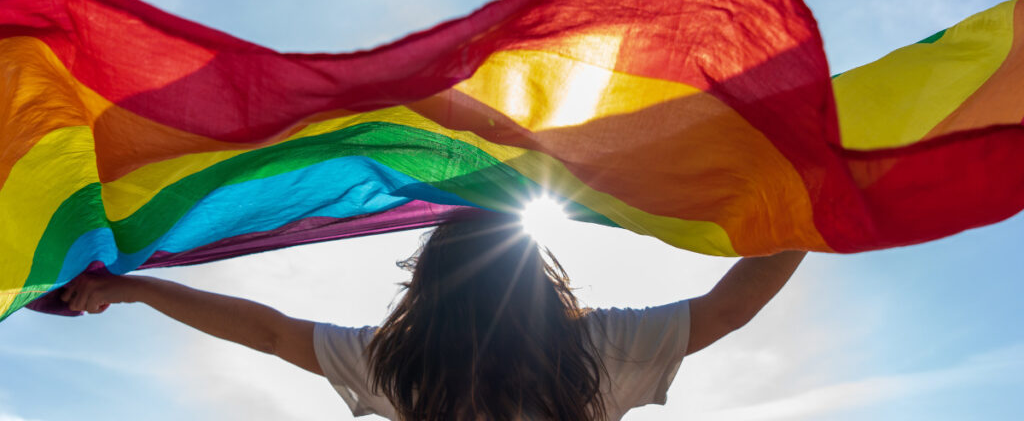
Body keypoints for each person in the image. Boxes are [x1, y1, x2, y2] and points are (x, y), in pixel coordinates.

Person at [61, 213, 805, 420]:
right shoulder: (595, 351)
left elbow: (272, 332)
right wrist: (815, 216)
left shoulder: (400, 366)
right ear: (536, 276)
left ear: (427, 285)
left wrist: (140, 289)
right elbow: (731, 307)